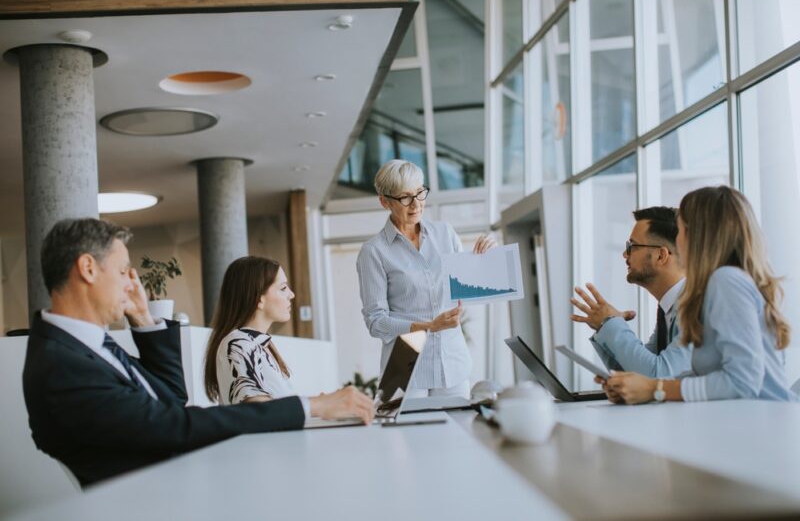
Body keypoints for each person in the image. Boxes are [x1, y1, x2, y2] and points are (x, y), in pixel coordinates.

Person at [23, 218, 374, 487]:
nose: (133, 283)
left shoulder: (87, 345)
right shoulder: (61, 364)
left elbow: (171, 399)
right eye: (123, 271)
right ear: (87, 268)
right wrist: (312, 405)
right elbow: (173, 425)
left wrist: (144, 319)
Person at [605, 186, 797, 403]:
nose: (676, 241)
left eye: (680, 230)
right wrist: (636, 387)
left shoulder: (726, 280)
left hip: (761, 420)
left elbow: (742, 382)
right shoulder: (722, 284)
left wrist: (655, 388)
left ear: (696, 235)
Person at [356, 159, 496, 399]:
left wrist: (485, 257)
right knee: (411, 425)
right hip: (404, 361)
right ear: (385, 202)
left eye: (420, 192)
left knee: (458, 423)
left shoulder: (445, 233)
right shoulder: (374, 252)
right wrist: (428, 327)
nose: (416, 204)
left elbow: (464, 287)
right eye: (405, 197)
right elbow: (376, 322)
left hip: (451, 360)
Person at [570, 206, 691, 380]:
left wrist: (610, 323)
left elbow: (659, 375)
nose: (624, 255)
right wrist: (605, 326)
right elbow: (638, 376)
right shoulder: (668, 308)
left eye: (632, 246)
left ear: (661, 256)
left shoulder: (695, 307)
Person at [203, 256, 297, 404]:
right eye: (283, 288)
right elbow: (259, 411)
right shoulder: (240, 343)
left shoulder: (257, 344)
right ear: (258, 298)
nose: (291, 295)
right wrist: (318, 404)